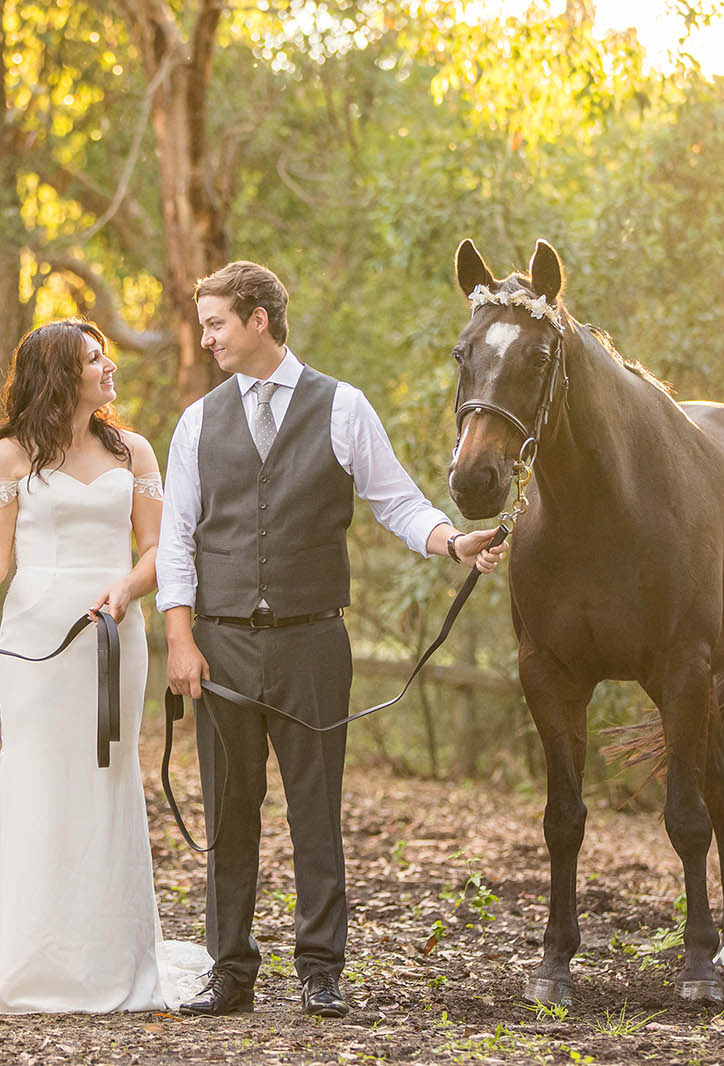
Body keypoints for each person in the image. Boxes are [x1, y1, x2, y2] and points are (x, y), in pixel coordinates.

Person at [156, 261, 506, 1019]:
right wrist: (180, 639)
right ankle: (231, 971)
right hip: (220, 649)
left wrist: (452, 543)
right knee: (228, 813)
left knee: (316, 811)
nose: (208, 336)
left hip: (313, 643)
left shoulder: (343, 407)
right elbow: (176, 539)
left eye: (217, 322)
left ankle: (321, 970)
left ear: (258, 320)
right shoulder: (197, 422)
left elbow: (397, 501)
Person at [0, 319, 198, 1013]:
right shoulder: (9, 456)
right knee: (35, 775)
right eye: (94, 359)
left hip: (114, 629)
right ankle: (28, 955)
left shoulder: (136, 452)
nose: (108, 366)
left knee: (105, 772)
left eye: (104, 354)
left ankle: (106, 959)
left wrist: (124, 593)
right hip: (36, 633)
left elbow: (157, 551)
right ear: (63, 374)